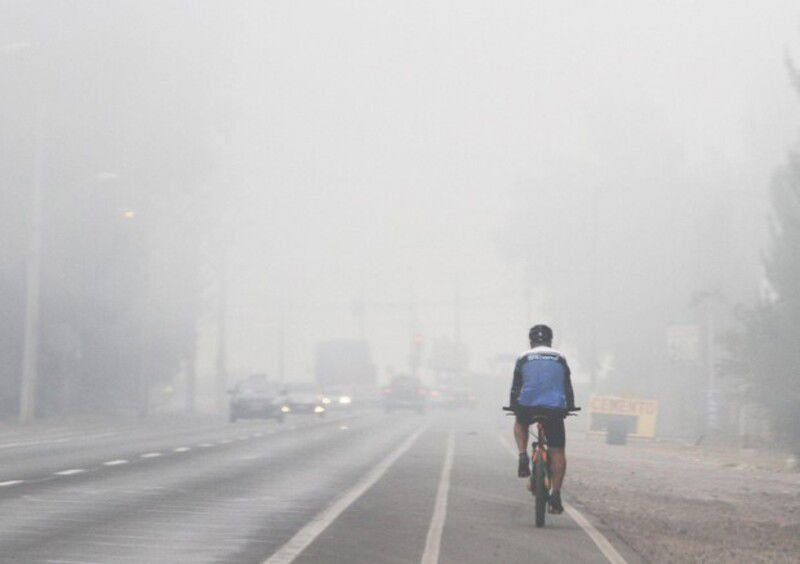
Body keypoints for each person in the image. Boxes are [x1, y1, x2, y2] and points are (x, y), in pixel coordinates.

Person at [509, 324, 575, 514]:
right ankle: (556, 495)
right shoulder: (560, 357)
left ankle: (522, 455)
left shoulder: (523, 357)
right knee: (557, 450)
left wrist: (514, 405)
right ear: (550, 340)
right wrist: (568, 406)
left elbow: (516, 386)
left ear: (531, 341)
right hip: (554, 407)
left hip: (528, 405)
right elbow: (567, 385)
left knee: (520, 422)